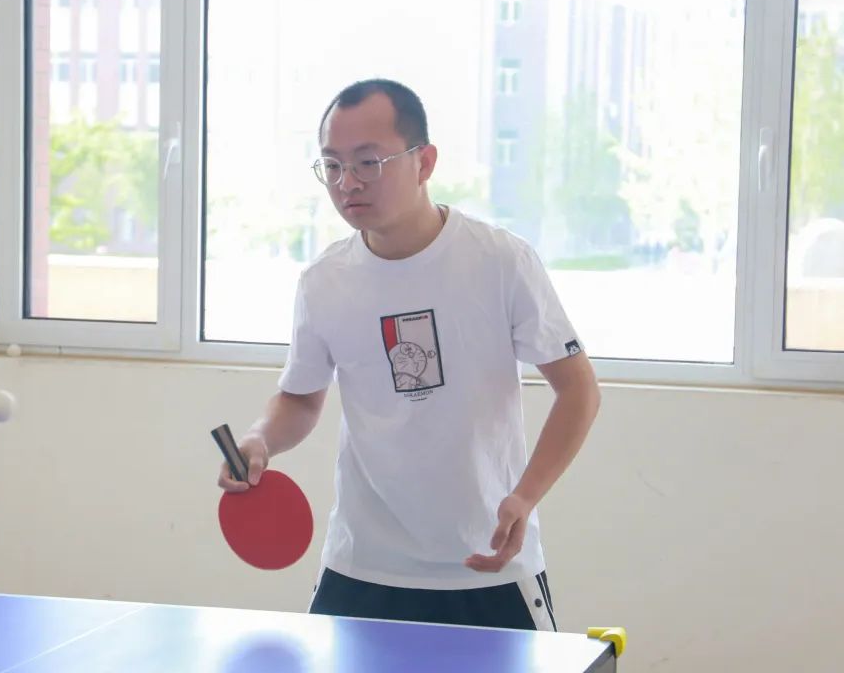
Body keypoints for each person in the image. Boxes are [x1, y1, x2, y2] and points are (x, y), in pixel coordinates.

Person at [217, 78, 601, 631]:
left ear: (424, 162)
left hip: (488, 566)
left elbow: (578, 389)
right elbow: (300, 399)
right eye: (332, 165)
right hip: (361, 567)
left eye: (368, 162)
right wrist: (259, 439)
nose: (347, 182)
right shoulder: (324, 280)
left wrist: (525, 496)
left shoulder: (500, 260)